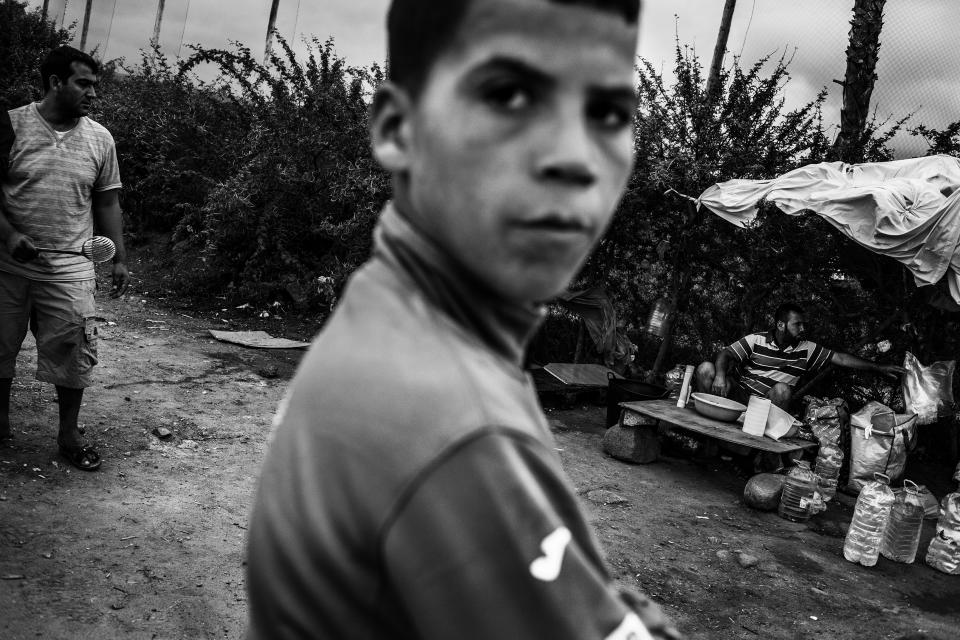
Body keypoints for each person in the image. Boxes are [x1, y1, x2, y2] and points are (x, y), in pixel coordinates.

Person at [246, 0, 680, 638]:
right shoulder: (452, 420)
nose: (576, 158)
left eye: (610, 113)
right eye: (508, 94)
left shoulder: (396, 311)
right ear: (399, 130)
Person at [0, 46, 129, 471]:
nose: (93, 93)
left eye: (95, 85)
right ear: (56, 82)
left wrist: (118, 258)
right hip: (7, 265)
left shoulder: (100, 138)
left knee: (74, 351)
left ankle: (69, 434)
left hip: (71, 269)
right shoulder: (10, 126)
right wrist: (10, 234)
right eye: (83, 84)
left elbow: (108, 202)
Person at [696, 302, 905, 409]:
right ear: (780, 324)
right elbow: (725, 354)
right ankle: (708, 436)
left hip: (766, 407)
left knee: (782, 390)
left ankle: (760, 452)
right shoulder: (756, 339)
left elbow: (840, 358)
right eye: (797, 324)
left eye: (803, 324)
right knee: (706, 369)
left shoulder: (807, 348)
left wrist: (878, 367)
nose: (802, 328)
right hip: (738, 396)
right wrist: (721, 376)